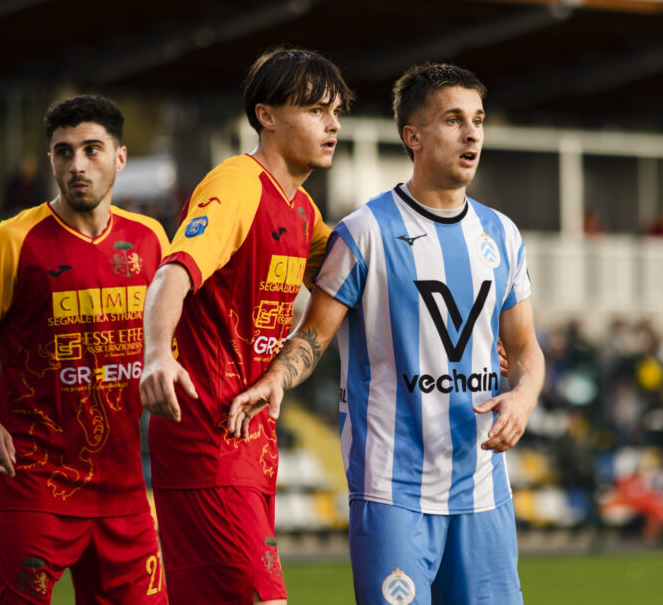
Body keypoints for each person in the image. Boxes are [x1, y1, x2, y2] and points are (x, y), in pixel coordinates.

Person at [229, 63, 545, 604]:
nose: (472, 134)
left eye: (478, 120)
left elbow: (525, 349)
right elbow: (315, 336)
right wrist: (278, 377)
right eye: (453, 120)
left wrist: (522, 398)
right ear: (413, 137)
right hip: (393, 493)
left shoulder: (502, 234)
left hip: (483, 490)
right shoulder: (365, 232)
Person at [139, 46, 353, 604]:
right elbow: (172, 274)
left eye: (336, 112)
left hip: (250, 440)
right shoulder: (236, 186)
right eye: (315, 110)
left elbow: (360, 282)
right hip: (208, 438)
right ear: (266, 115)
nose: (332, 125)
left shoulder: (302, 211)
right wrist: (158, 353)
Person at [0, 95, 170, 603]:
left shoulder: (152, 241)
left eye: (92, 149)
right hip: (34, 486)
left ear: (120, 157)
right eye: (63, 152)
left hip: (124, 492)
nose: (77, 165)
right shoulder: (12, 240)